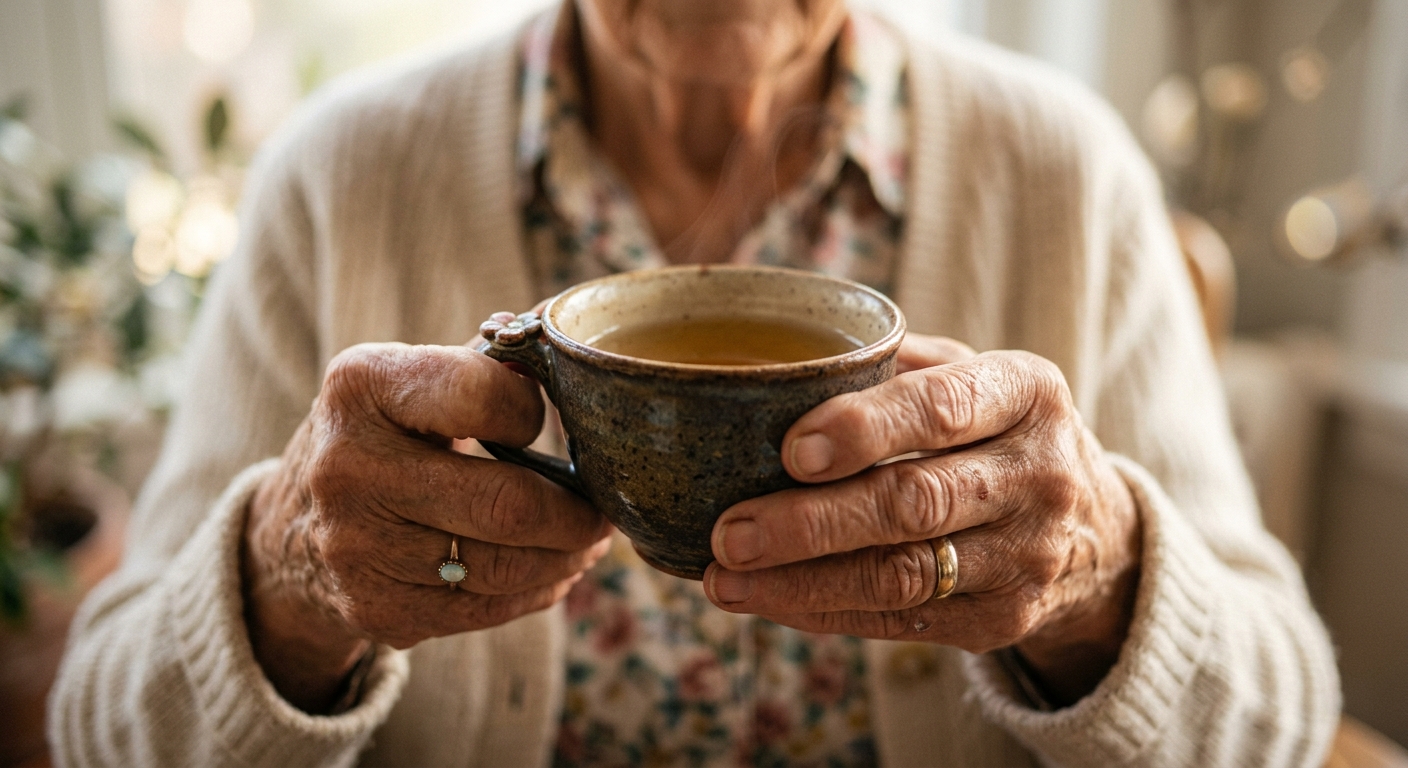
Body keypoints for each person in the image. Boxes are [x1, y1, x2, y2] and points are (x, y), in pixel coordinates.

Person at [50, 1, 1340, 765]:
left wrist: (1100, 580)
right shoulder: (343, 175)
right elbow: (98, 727)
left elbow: (1282, 713)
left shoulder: (1063, 172)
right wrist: (288, 585)